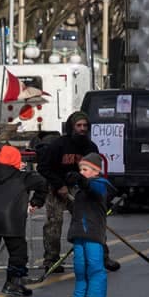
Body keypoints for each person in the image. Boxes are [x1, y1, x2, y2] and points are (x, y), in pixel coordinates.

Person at [36, 111, 119, 273]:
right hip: (57, 187)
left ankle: (102, 256)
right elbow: (43, 167)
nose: (82, 129)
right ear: (71, 127)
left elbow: (95, 171)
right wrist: (59, 185)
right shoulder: (58, 145)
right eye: (78, 125)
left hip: (79, 188)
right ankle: (51, 260)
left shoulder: (90, 147)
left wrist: (87, 185)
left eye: (85, 125)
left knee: (92, 222)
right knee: (54, 222)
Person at [0, 145, 48, 297]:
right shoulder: (23, 177)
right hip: (12, 220)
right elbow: (42, 183)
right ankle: (13, 283)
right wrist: (36, 201)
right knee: (18, 252)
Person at [65, 152, 117, 297]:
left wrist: (82, 180)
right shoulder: (81, 189)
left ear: (96, 171)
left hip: (93, 232)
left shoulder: (101, 185)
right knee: (80, 266)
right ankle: (80, 294)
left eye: (85, 170)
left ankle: (96, 295)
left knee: (94, 265)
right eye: (80, 170)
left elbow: (93, 188)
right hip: (79, 231)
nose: (82, 172)